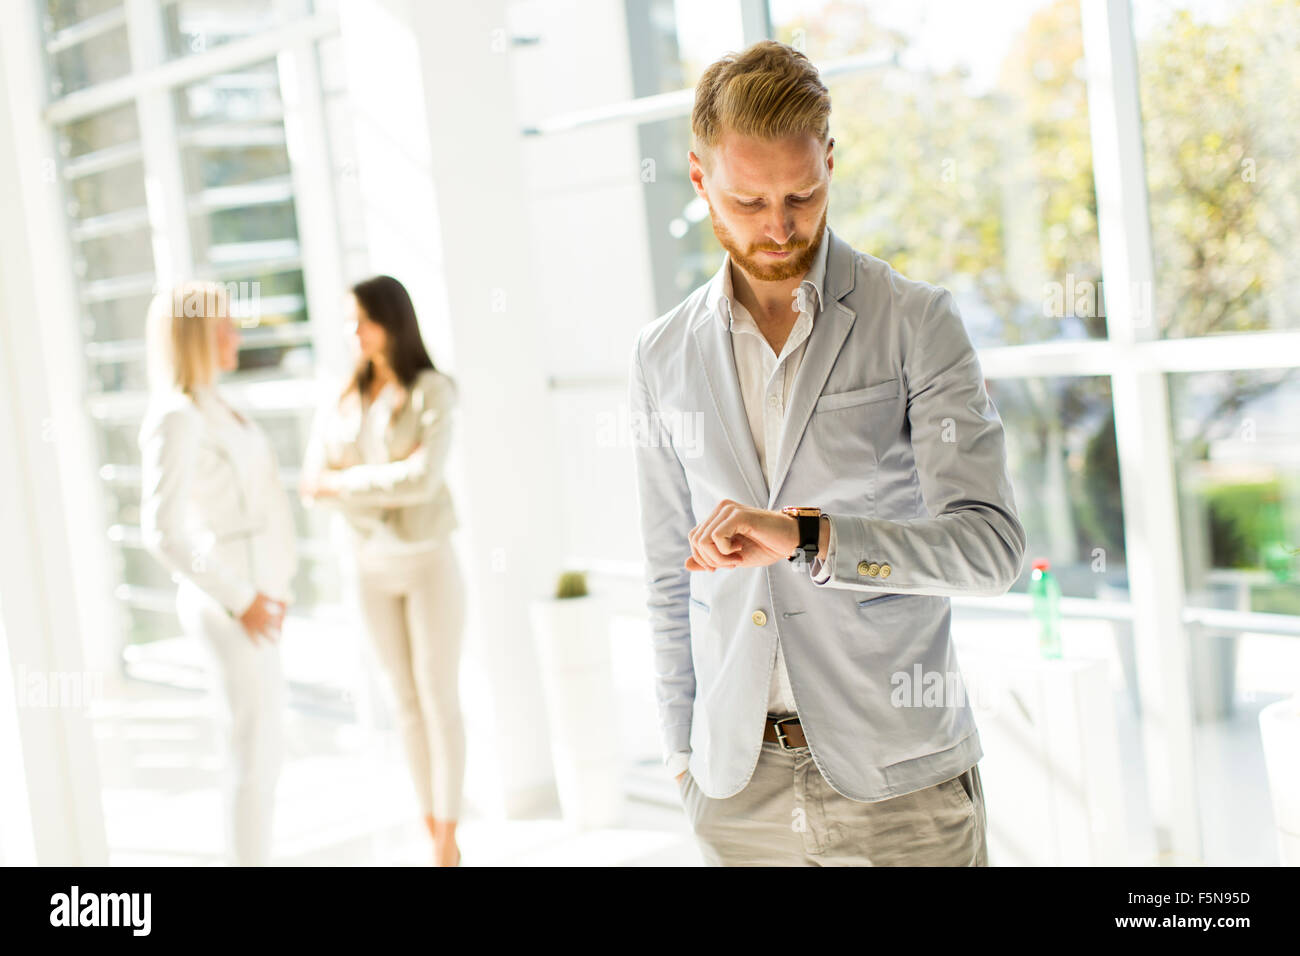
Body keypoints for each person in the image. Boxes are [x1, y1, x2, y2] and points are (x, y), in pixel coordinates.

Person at [628, 41, 1027, 866]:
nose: (779, 227)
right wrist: (681, 754)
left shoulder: (917, 321)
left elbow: (990, 551)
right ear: (701, 183)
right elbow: (670, 569)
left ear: (831, 163)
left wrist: (811, 537)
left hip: (901, 785)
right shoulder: (660, 355)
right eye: (749, 200)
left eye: (801, 195)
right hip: (736, 792)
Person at [299, 275, 465, 867]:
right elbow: (311, 480)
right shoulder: (343, 398)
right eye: (348, 321)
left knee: (439, 697)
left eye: (361, 320)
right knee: (404, 702)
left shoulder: (432, 391)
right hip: (367, 566)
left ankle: (448, 837)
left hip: (427, 564)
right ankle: (430, 832)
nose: (353, 332)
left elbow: (423, 481)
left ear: (391, 321)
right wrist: (384, 482)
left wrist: (344, 485)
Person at [139, 280, 298, 866]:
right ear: (194, 337)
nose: (234, 335)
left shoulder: (218, 405)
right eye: (222, 327)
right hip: (230, 606)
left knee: (267, 751)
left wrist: (275, 586)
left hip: (261, 598)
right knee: (250, 757)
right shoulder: (177, 417)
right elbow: (163, 531)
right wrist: (241, 598)